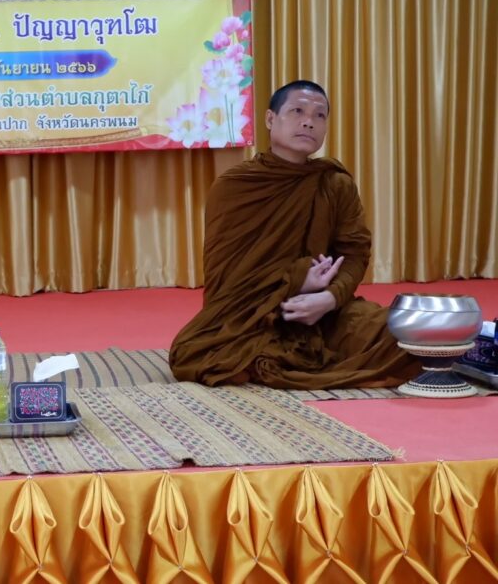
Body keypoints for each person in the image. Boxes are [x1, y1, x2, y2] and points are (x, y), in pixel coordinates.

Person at [169, 80, 418, 389]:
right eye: (297, 111)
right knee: (198, 354)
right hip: (250, 318)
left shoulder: (334, 184)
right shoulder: (235, 186)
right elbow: (228, 282)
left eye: (319, 115)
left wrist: (329, 298)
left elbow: (354, 254)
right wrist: (297, 282)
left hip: (324, 313)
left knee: (408, 332)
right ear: (270, 119)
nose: (308, 122)